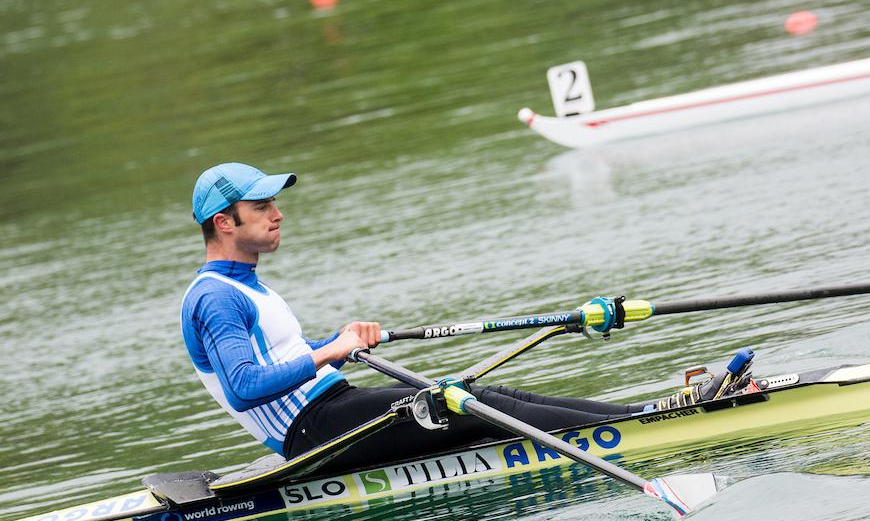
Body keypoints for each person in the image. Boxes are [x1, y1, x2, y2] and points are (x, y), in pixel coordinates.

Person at [181, 162, 753, 471]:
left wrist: (340, 341)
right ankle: (665, 423)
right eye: (262, 208)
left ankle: (654, 413)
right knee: (478, 405)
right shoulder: (215, 298)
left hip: (331, 407)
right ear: (225, 223)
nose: (278, 215)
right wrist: (328, 351)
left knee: (498, 394)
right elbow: (246, 387)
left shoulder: (247, 287)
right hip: (314, 432)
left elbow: (285, 357)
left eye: (275, 204)